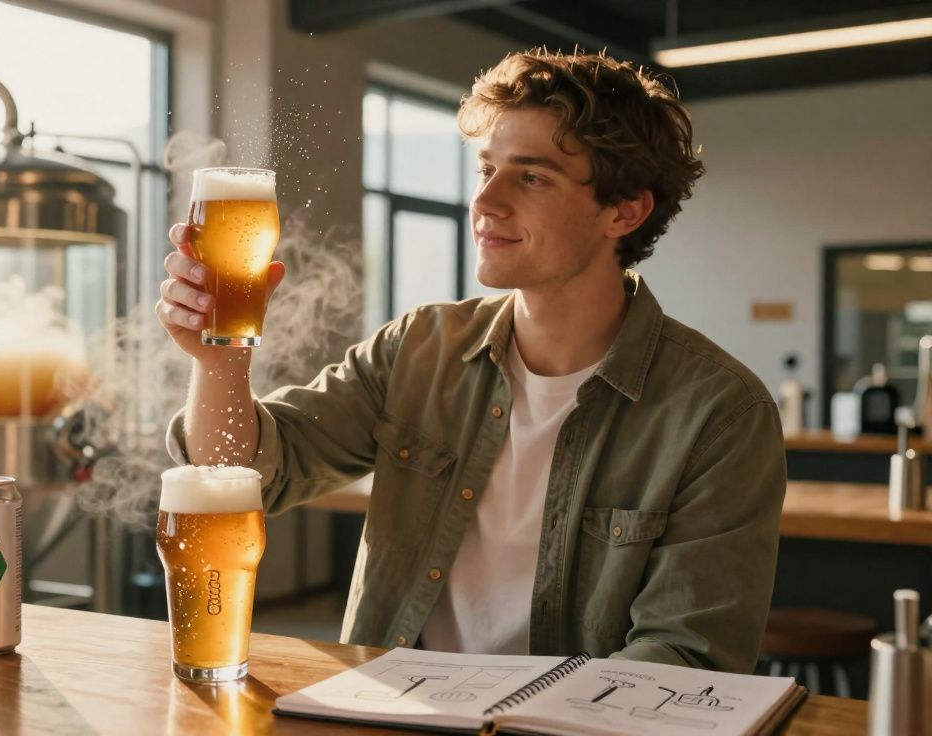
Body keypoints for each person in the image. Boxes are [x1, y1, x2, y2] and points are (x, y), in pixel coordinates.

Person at [155, 49, 786, 674]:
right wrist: (220, 359)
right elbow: (241, 473)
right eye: (486, 169)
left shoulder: (722, 414)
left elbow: (682, 659)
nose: (485, 202)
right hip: (392, 714)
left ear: (624, 211)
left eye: (531, 177)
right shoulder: (419, 347)